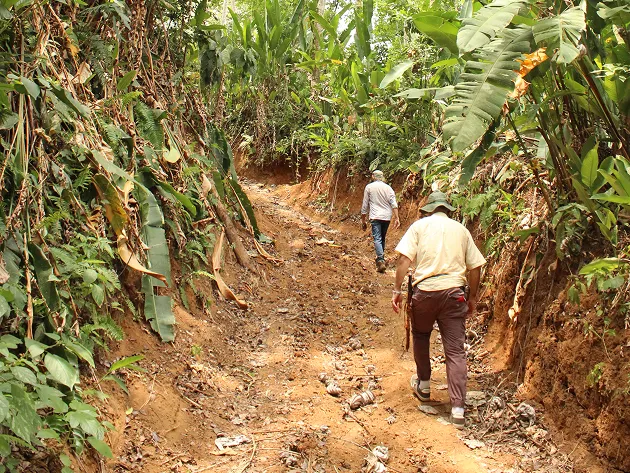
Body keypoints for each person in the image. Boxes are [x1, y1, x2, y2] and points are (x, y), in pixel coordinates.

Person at [391, 191, 486, 429]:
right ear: (447, 210)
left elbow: (404, 261)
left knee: (421, 335)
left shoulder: (419, 227)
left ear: (430, 209)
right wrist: (472, 297)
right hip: (454, 294)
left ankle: (423, 385)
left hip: (425, 291)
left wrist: (397, 290)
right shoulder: (462, 230)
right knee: (455, 351)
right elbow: (475, 268)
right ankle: (458, 409)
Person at [361, 170, 400, 273]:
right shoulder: (389, 188)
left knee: (377, 238)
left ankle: (380, 260)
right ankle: (380, 258)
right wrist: (397, 217)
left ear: (373, 176)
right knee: (382, 238)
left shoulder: (369, 187)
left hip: (375, 215)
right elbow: (394, 204)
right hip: (386, 217)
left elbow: (365, 204)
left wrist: (363, 220)